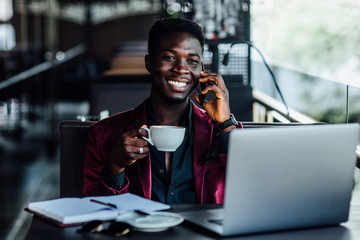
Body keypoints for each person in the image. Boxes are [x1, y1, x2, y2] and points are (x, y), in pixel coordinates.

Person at [83, 18, 242, 204]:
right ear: (149, 63)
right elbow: (92, 211)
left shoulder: (217, 131)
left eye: (192, 61)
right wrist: (115, 167)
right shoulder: (104, 133)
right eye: (170, 57)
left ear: (202, 72)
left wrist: (225, 124)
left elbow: (248, 194)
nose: (182, 69)